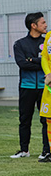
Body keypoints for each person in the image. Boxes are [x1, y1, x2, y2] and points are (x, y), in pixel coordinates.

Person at [11, 12, 49, 159]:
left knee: (46, 119)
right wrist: (40, 62)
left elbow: (48, 63)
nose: (46, 25)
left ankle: (46, 150)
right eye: (43, 23)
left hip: (45, 88)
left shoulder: (47, 42)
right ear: (33, 25)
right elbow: (22, 64)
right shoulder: (19, 44)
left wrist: (33, 60)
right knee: (24, 119)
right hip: (26, 87)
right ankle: (24, 150)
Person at [39, 30, 51, 163]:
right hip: (49, 84)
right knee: (49, 119)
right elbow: (44, 57)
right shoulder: (49, 35)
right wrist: (48, 74)